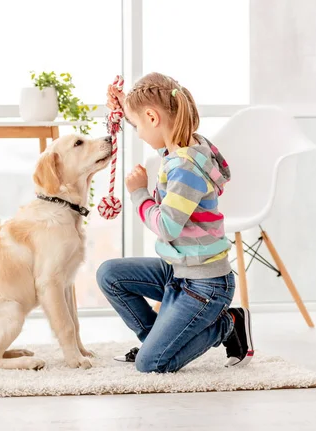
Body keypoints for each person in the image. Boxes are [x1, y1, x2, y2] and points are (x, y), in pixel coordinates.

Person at [96, 72, 254, 373]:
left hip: (205, 286)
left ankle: (227, 324)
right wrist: (127, 106)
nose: (139, 133)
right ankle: (158, 338)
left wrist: (139, 193)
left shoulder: (185, 167)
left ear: (153, 117)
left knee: (152, 364)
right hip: (178, 272)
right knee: (109, 274)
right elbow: (156, 130)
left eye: (139, 125)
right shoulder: (187, 147)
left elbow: (166, 227)